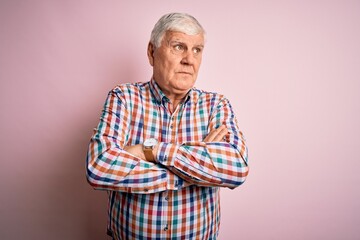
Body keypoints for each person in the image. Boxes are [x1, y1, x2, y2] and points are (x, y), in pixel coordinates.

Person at [86, 12, 249, 240]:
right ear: (152, 53)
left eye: (197, 50)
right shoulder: (123, 98)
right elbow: (99, 167)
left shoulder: (216, 105)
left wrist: (149, 151)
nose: (189, 60)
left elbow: (237, 169)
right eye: (179, 47)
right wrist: (197, 167)